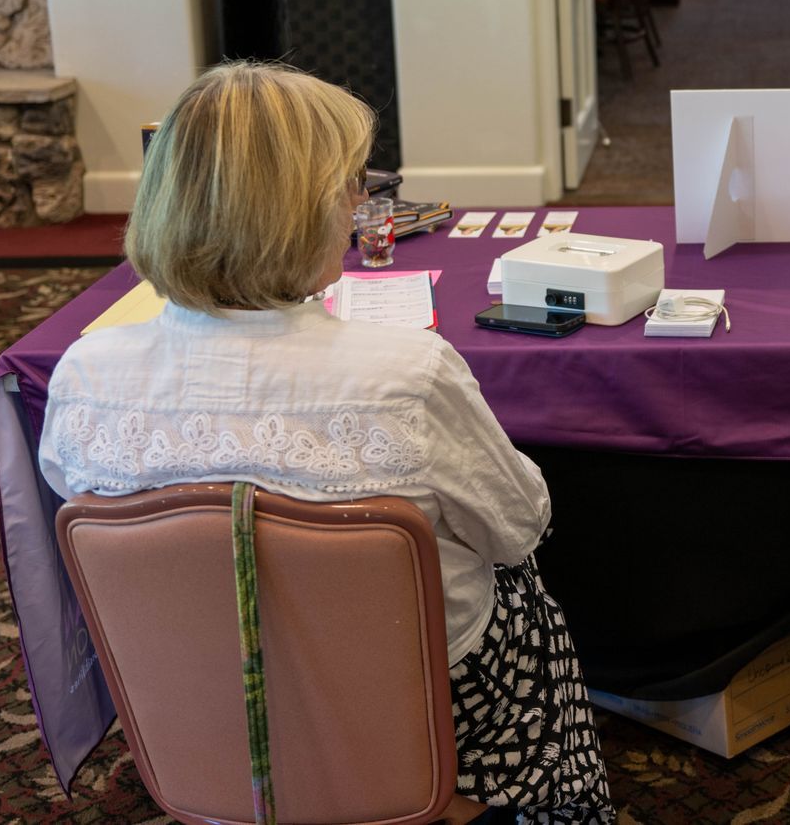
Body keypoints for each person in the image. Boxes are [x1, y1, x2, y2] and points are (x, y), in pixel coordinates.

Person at [37, 62, 614, 825]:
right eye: (349, 185)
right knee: (523, 588)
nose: (359, 206)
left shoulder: (83, 373)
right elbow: (518, 527)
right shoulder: (406, 373)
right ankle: (548, 801)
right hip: (411, 702)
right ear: (296, 212)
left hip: (199, 700)